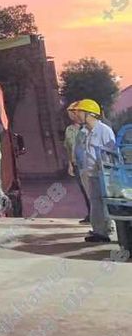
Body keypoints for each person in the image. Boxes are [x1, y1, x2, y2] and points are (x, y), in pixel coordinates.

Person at [74, 99, 117, 243]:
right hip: (91, 174)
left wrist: (107, 172)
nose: (77, 115)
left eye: (80, 112)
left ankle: (104, 231)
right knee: (96, 203)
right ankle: (99, 231)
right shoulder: (87, 132)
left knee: (103, 203)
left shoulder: (104, 131)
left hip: (103, 175)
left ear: (90, 114)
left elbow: (111, 153)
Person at [64, 102, 91, 224]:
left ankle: (97, 215)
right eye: (71, 113)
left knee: (92, 190)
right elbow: (68, 148)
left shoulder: (87, 128)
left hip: (88, 164)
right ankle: (91, 213)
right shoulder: (69, 130)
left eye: (75, 113)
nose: (73, 115)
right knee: (84, 190)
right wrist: (70, 164)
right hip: (76, 164)